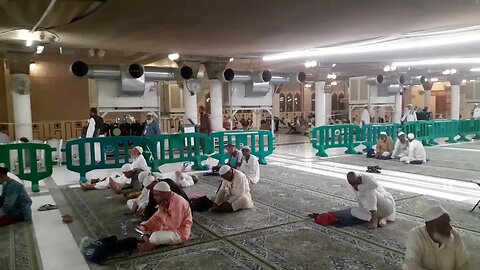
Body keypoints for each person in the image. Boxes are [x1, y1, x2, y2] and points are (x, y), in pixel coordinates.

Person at [403, 206, 470, 270]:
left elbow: (463, 264)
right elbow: (410, 265)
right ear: (430, 228)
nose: (450, 228)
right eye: (444, 225)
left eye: (449, 222)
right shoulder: (416, 235)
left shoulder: (455, 235)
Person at [136, 182, 192, 252]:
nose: (154, 197)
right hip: (166, 227)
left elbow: (174, 225)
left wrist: (162, 212)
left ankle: (150, 243)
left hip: (180, 232)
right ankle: (150, 241)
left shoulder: (177, 203)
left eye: (156, 195)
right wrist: (145, 225)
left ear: (165, 193)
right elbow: (156, 216)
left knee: (155, 237)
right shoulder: (164, 200)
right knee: (144, 229)